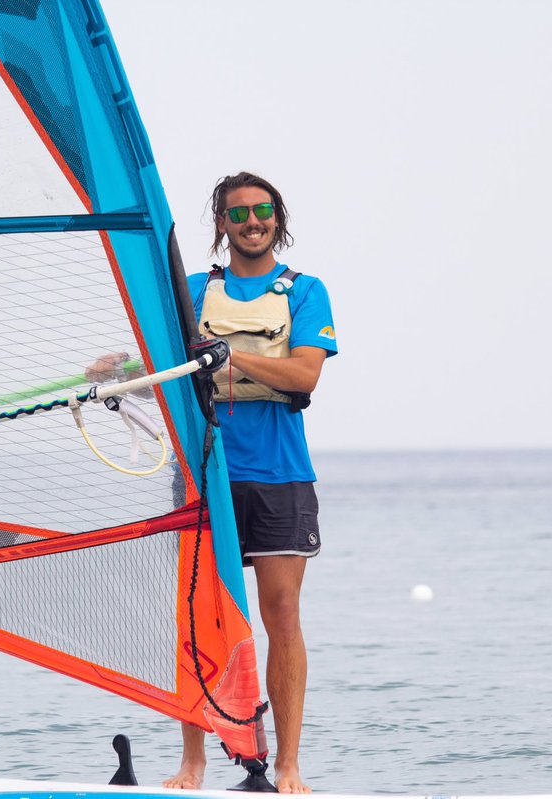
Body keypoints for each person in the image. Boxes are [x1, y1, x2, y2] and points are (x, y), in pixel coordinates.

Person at [164, 172, 337, 794]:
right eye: (238, 214)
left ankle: (288, 765)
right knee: (198, 615)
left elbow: (305, 376)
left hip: (278, 472)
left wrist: (228, 358)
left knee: (282, 613)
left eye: (262, 211)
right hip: (204, 470)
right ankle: (194, 762)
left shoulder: (305, 292)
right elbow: (157, 358)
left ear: (277, 218)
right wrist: (118, 365)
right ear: (222, 226)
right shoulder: (188, 292)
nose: (251, 221)